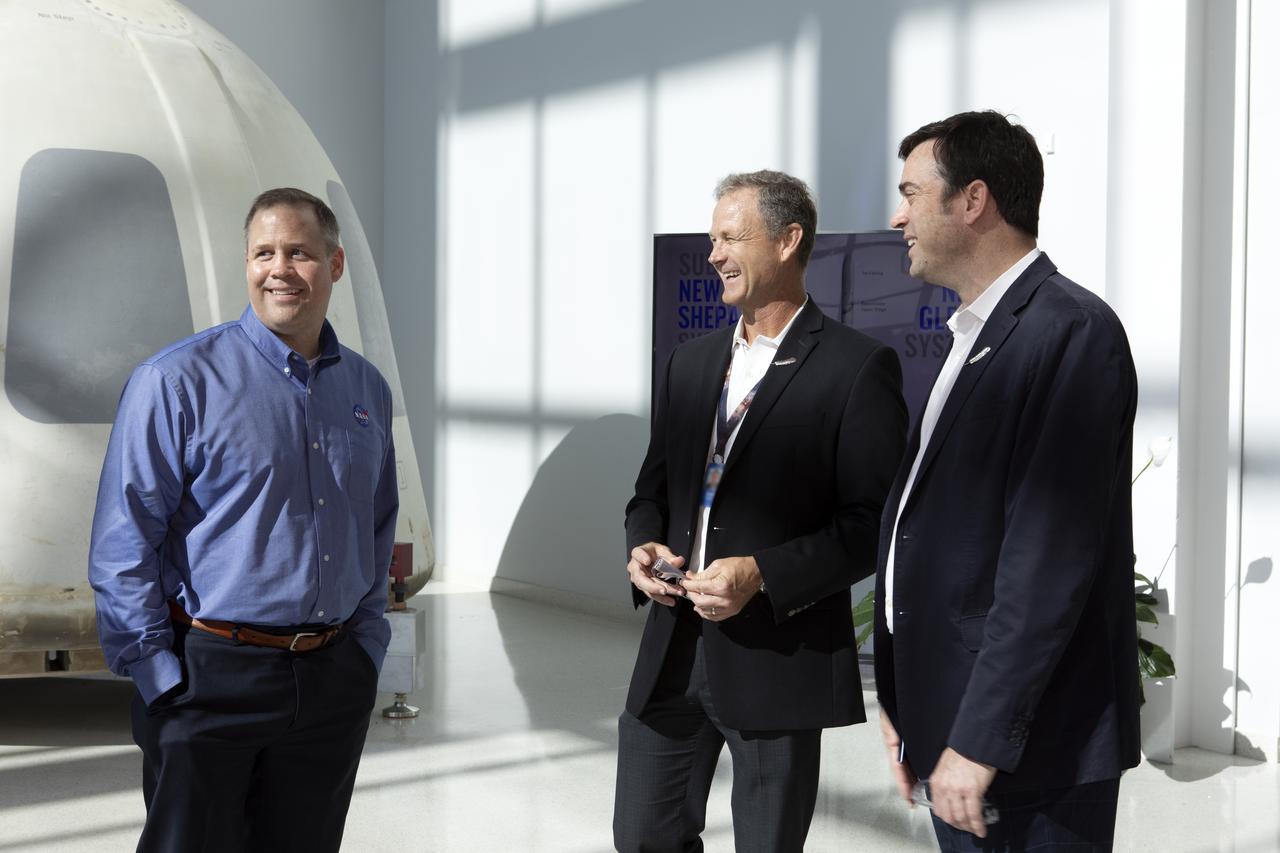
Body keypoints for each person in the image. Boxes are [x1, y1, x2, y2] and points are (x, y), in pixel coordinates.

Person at [88, 187, 398, 852]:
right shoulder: (176, 382)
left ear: (335, 265)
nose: (278, 268)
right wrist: (158, 677)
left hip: (330, 678)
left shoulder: (366, 391)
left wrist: (365, 652)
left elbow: (375, 528)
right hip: (208, 675)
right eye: (263, 252)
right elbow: (125, 539)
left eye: (299, 253)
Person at [615, 170, 907, 852]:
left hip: (779, 656)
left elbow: (874, 524)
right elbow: (650, 490)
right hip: (672, 649)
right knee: (641, 836)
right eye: (712, 238)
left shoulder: (857, 369)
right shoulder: (689, 363)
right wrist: (643, 544)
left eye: (731, 237)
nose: (714, 253)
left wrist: (763, 573)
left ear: (787, 241)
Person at [875, 111, 1141, 851]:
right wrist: (909, 708)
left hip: (1025, 753)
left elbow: (1046, 559)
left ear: (973, 200)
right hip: (956, 729)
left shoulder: (1070, 332)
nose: (897, 216)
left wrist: (980, 741)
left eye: (911, 193)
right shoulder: (975, 333)